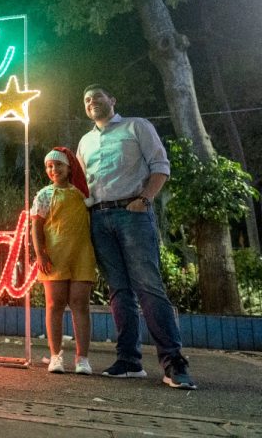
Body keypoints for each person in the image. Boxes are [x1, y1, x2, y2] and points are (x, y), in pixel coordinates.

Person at [77, 84, 196, 390]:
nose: (92, 102)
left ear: (112, 100)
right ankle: (129, 361)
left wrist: (144, 199)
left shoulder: (136, 126)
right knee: (119, 290)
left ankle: (173, 362)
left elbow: (160, 166)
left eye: (97, 96)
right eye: (87, 100)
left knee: (148, 286)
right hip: (98, 218)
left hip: (132, 213)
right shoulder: (85, 142)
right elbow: (81, 182)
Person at [31, 147, 96, 375]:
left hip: (81, 255)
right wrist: (40, 253)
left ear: (69, 168)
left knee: (80, 305)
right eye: (49, 166)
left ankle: (82, 358)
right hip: (54, 257)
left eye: (58, 164)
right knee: (54, 304)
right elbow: (36, 227)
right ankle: (56, 356)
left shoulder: (83, 194)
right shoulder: (44, 195)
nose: (54, 169)